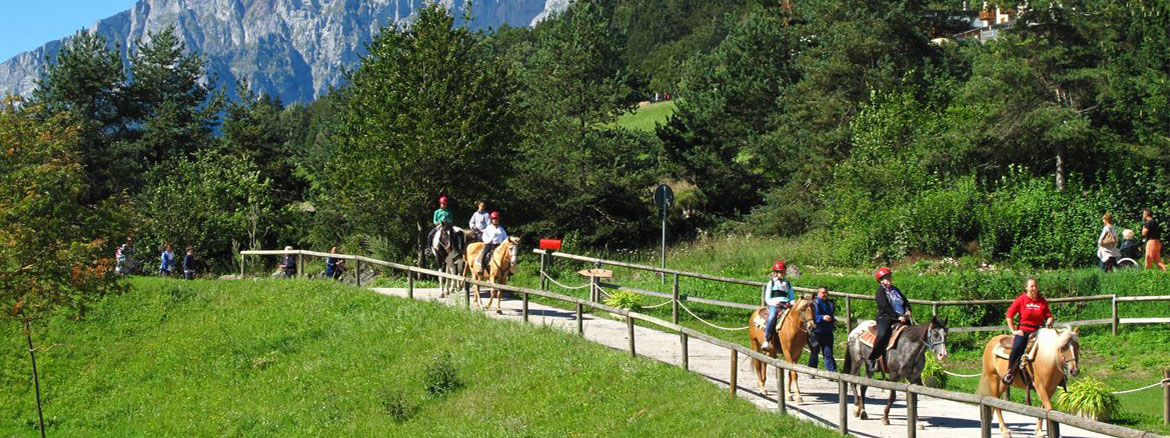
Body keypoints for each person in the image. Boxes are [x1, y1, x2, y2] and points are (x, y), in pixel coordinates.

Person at [1002, 277, 1054, 384]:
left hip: (1039, 330)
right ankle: (1010, 372)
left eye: (1036, 286)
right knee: (1017, 347)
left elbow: (1049, 315)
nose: (1034, 288)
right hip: (1024, 329)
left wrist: (1050, 320)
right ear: (1026, 288)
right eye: (1032, 286)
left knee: (1054, 346)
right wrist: (1013, 330)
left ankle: (1058, 373)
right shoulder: (1021, 300)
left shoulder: (1042, 301)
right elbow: (1009, 315)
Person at [867, 267, 911, 370]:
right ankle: (873, 358)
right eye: (887, 278)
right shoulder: (880, 292)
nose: (889, 279)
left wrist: (908, 310)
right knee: (882, 335)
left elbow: (905, 301)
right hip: (886, 317)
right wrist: (898, 316)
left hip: (902, 317)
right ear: (881, 280)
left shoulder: (895, 289)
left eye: (890, 277)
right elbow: (885, 307)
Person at [760, 261, 794, 351]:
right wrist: (774, 303)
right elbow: (767, 298)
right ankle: (766, 339)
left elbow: (792, 297)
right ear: (776, 272)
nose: (782, 273)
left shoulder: (788, 284)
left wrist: (791, 303)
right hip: (775, 304)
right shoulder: (771, 282)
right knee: (772, 316)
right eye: (780, 272)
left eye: (783, 271)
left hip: (786, 305)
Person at [808, 286, 838, 372]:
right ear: (818, 293)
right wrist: (822, 317)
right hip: (816, 332)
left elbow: (831, 315)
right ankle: (811, 371)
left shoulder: (830, 303)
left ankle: (832, 372)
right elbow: (811, 317)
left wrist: (833, 320)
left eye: (826, 293)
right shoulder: (813, 303)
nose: (825, 294)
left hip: (827, 331)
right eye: (823, 293)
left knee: (828, 353)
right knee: (815, 352)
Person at [478, 211, 507, 276]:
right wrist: (487, 241)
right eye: (494, 219)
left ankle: (508, 270)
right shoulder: (488, 228)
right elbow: (484, 236)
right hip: (490, 245)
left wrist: (503, 244)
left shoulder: (501, 229)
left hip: (499, 246)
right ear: (491, 220)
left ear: (499, 220)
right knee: (484, 254)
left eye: (497, 219)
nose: (495, 220)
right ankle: (482, 268)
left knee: (507, 256)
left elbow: (505, 238)